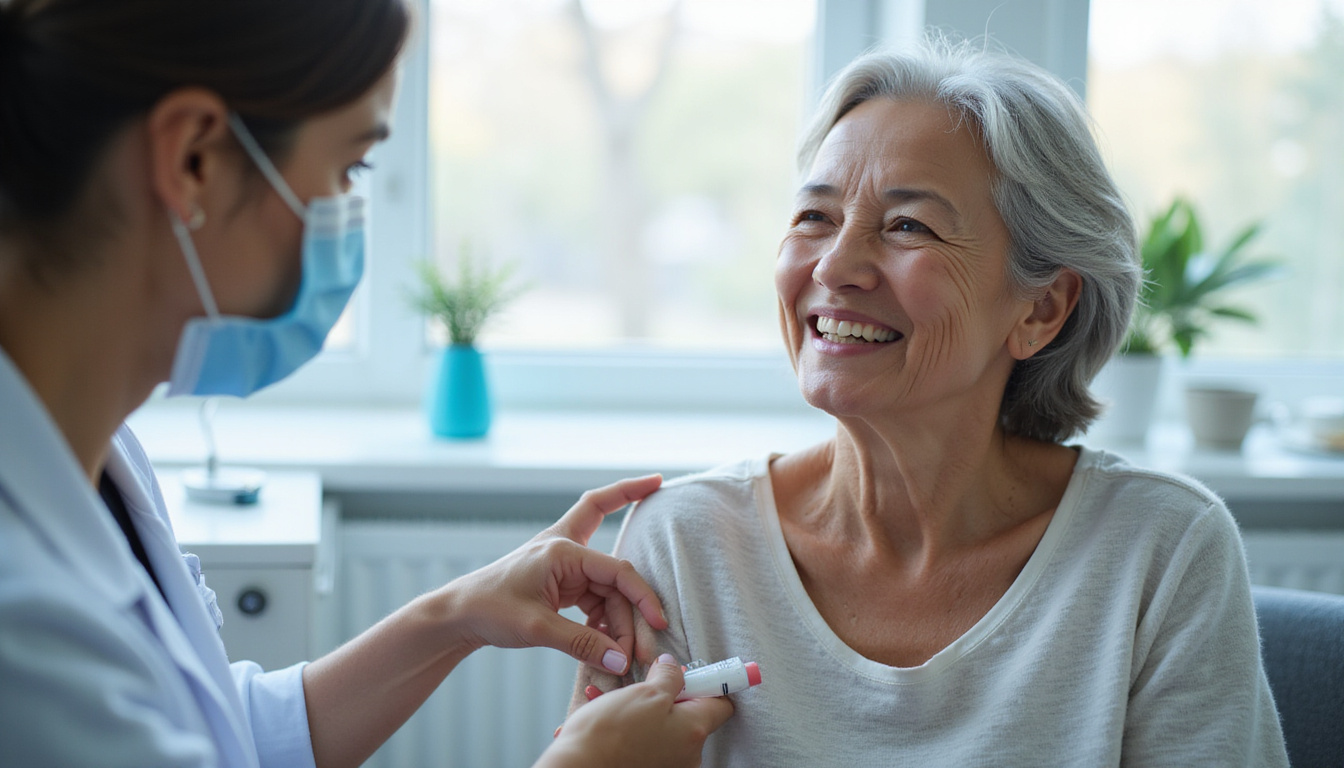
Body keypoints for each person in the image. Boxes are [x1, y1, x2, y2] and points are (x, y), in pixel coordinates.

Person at [0, 0, 731, 765]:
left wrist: (454, 616)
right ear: (194, 160)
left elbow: (216, 734)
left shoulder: (98, 454)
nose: (351, 213)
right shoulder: (22, 619)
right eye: (349, 165)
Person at [572, 42, 1291, 766]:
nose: (834, 265)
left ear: (1041, 309)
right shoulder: (684, 545)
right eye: (815, 216)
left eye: (907, 226)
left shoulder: (1162, 549)